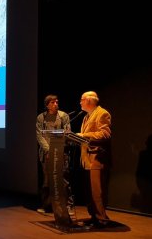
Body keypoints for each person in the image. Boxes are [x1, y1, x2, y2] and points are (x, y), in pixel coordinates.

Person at [77, 91, 112, 228]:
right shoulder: (86, 116)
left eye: (82, 99)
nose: (80, 102)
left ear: (90, 101)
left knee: (97, 191)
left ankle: (102, 219)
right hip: (87, 159)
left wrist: (83, 135)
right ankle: (94, 216)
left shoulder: (103, 113)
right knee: (89, 191)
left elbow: (105, 134)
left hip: (97, 158)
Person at [36, 94, 73, 216]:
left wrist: (58, 149)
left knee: (64, 180)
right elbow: (39, 135)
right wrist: (48, 150)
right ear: (47, 105)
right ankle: (47, 206)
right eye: (53, 102)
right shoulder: (41, 117)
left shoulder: (64, 116)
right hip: (46, 154)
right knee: (47, 180)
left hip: (61, 153)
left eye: (57, 102)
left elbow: (67, 133)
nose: (56, 104)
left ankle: (68, 206)